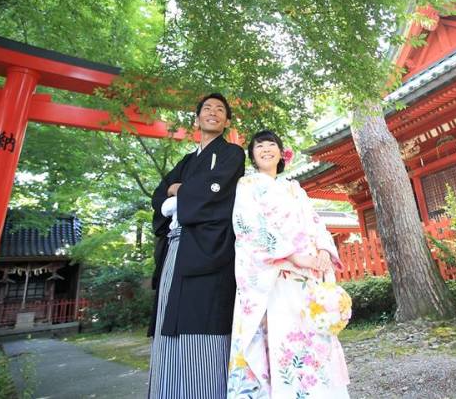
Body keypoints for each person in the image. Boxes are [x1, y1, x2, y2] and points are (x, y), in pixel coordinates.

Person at [227, 130, 350, 398]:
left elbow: (315, 222)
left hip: (308, 276)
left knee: (314, 336)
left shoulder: (294, 188)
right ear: (252, 156)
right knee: (284, 336)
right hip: (276, 275)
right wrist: (292, 256)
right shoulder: (247, 186)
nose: (266, 149)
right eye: (260, 146)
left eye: (271, 145)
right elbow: (249, 226)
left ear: (281, 153)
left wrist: (324, 251)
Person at [149, 93, 246, 399]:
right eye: (207, 108)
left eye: (220, 110)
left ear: (227, 121)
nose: (213, 112)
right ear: (197, 119)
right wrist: (176, 195)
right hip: (176, 249)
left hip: (209, 248)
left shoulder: (232, 153)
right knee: (169, 317)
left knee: (203, 317)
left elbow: (217, 190)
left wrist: (179, 193)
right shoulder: (187, 161)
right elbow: (159, 195)